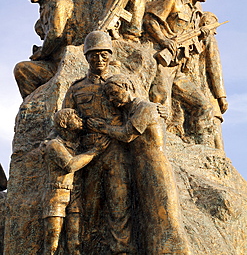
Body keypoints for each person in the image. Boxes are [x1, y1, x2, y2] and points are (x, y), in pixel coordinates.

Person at [88, 74, 192, 255]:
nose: (112, 99)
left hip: (155, 168)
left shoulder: (145, 108)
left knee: (164, 216)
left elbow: (127, 135)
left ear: (126, 87)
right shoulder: (131, 111)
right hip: (141, 168)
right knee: (149, 218)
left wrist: (101, 127)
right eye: (109, 96)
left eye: (114, 93)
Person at [63, 31, 134, 254]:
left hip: (116, 151)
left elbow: (135, 110)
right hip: (89, 154)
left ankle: (121, 249)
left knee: (119, 203)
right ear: (86, 58)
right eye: (94, 56)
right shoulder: (75, 89)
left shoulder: (121, 83)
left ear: (110, 57)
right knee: (90, 207)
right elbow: (65, 122)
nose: (99, 60)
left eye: (104, 55)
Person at [143, 0, 217, 140]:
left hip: (178, 68)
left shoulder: (194, 14)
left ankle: (198, 145)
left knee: (203, 105)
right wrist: (163, 40)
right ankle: (160, 142)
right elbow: (149, 20)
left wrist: (201, 34)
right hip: (163, 63)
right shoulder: (173, 0)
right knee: (162, 106)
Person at [41, 108, 109, 255]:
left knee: (75, 243)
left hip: (75, 196)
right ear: (64, 123)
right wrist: (94, 151)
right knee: (52, 242)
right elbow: (70, 165)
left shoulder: (78, 144)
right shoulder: (54, 145)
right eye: (74, 116)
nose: (80, 118)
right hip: (56, 195)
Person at [14, 0, 74, 99]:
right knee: (22, 70)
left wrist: (41, 53)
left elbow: (55, 33)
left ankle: (37, 105)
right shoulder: (44, 9)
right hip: (54, 63)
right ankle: (35, 106)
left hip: (66, 63)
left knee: (21, 69)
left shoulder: (58, 1)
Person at [198, 11, 228, 149]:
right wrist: (221, 96)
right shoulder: (209, 40)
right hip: (207, 88)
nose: (215, 32)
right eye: (214, 28)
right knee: (215, 119)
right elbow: (214, 68)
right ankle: (219, 155)